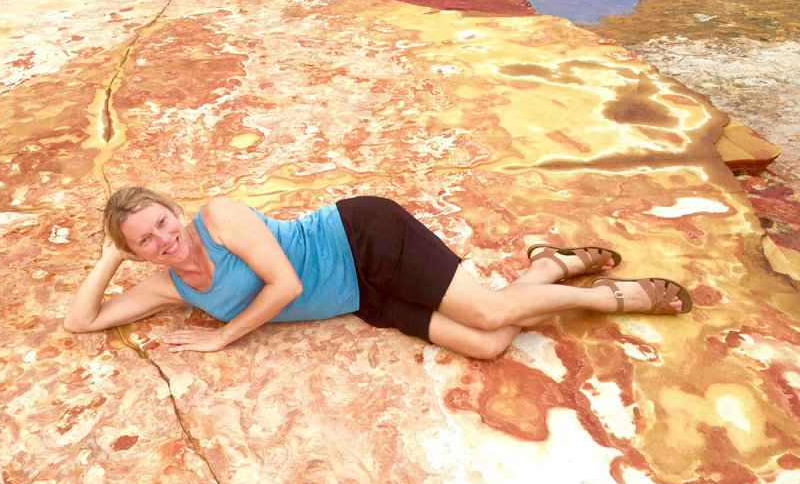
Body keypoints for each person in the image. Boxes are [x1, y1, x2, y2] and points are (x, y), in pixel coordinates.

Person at [64, 187, 692, 359]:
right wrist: (108, 257)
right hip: (360, 296)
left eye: (162, 224)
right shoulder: (163, 284)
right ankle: (553, 262)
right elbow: (81, 322)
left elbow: (287, 287)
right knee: (489, 342)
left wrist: (224, 334)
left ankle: (611, 297)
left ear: (176, 211)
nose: (164, 241)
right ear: (138, 253)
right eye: (145, 241)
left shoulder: (220, 218)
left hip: (363, 238)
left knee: (491, 311)